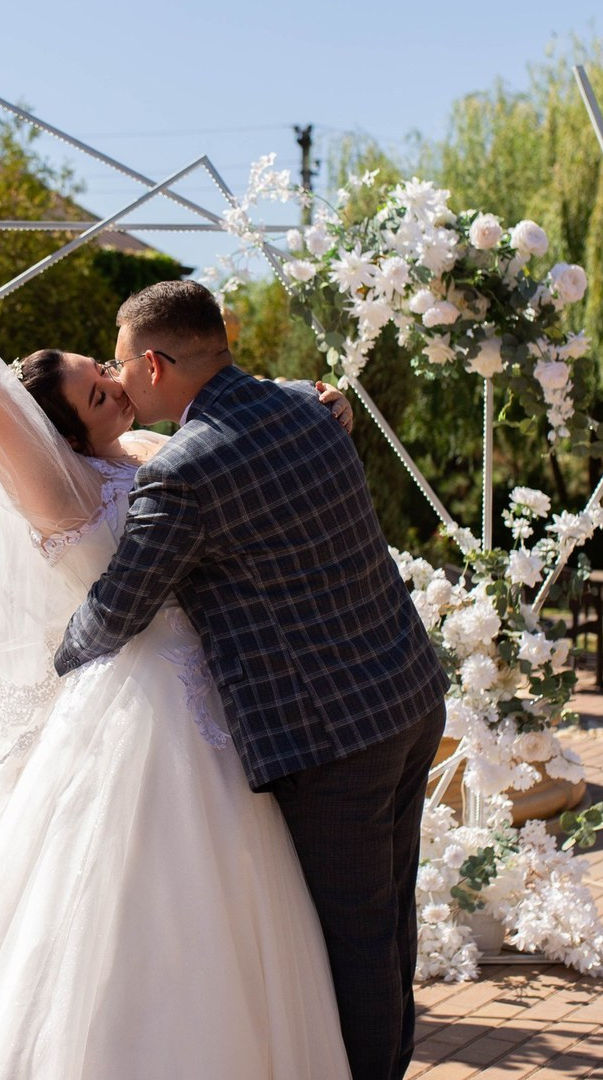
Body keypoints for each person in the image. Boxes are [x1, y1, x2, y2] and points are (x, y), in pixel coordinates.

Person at [0, 263, 355, 1080]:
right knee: (110, 900)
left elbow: (228, 427)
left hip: (211, 691)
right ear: (55, 429)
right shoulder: (58, 486)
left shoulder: (149, 448)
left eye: (107, 369)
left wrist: (315, 403)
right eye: (92, 389)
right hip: (130, 702)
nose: (113, 383)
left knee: (232, 900)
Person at [54, 279, 449, 1080]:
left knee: (356, 944)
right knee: (386, 924)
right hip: (406, 695)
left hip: (334, 737)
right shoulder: (307, 406)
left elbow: (118, 607)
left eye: (121, 362)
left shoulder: (187, 471)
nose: (118, 377)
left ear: (157, 364)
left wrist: (53, 668)